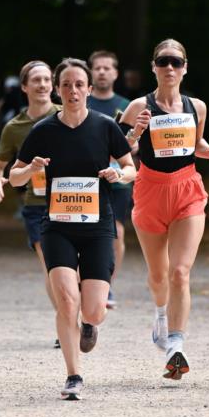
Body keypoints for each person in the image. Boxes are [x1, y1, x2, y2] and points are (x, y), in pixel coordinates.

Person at [9, 58, 136, 400]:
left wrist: (118, 174)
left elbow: (131, 168)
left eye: (79, 84)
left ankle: (90, 324)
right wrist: (31, 168)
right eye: (66, 85)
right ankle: (73, 375)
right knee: (67, 300)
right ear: (57, 89)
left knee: (92, 309)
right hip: (57, 226)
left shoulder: (105, 126)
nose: (73, 90)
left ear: (89, 89)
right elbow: (14, 177)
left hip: (97, 227)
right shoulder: (43, 131)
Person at [119, 38, 209, 381]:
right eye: (163, 61)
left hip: (187, 190)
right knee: (158, 274)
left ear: (185, 68)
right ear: (154, 67)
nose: (169, 67)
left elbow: (195, 146)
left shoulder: (197, 107)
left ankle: (176, 345)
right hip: (150, 190)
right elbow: (118, 150)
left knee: (180, 272)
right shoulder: (139, 106)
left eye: (175, 62)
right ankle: (161, 314)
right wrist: (136, 132)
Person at [0, 60, 62, 346]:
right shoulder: (15, 127)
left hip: (73, 199)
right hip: (37, 205)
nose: (42, 85)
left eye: (47, 80)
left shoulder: (68, 115)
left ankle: (79, 315)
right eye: (36, 80)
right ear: (24, 87)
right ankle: (67, 321)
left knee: (75, 268)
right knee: (52, 267)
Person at [87, 50, 131, 308]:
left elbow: (138, 143)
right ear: (90, 72)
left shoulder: (127, 106)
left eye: (107, 68)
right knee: (87, 232)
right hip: (85, 181)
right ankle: (87, 283)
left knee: (117, 232)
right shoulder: (81, 102)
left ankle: (107, 286)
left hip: (118, 181)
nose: (102, 72)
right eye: (97, 68)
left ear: (115, 73)